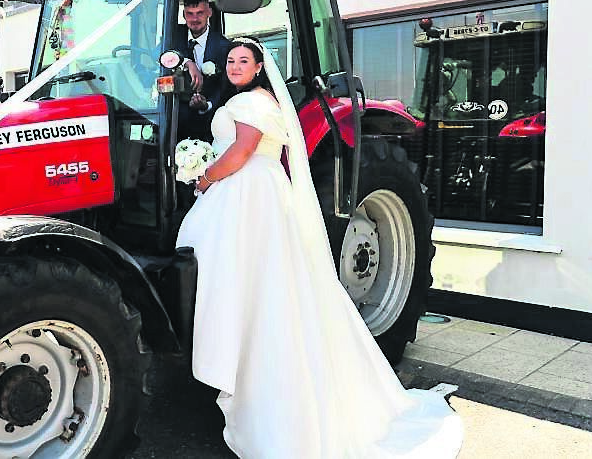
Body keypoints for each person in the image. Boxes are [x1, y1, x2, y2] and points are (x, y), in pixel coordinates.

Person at [177, 38, 464, 457]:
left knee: (250, 281)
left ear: (259, 67)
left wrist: (203, 177)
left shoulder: (254, 104)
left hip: (246, 192)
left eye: (244, 60)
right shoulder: (254, 100)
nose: (235, 65)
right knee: (259, 282)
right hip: (252, 192)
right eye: (231, 61)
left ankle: (252, 370)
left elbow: (240, 152)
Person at [173, 0, 232, 141]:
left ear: (209, 13)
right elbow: (161, 57)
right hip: (176, 121)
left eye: (199, 13)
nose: (194, 19)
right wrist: (187, 62)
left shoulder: (223, 46)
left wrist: (207, 105)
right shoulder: (172, 36)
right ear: (183, 15)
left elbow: (225, 85)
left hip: (210, 120)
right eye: (189, 14)